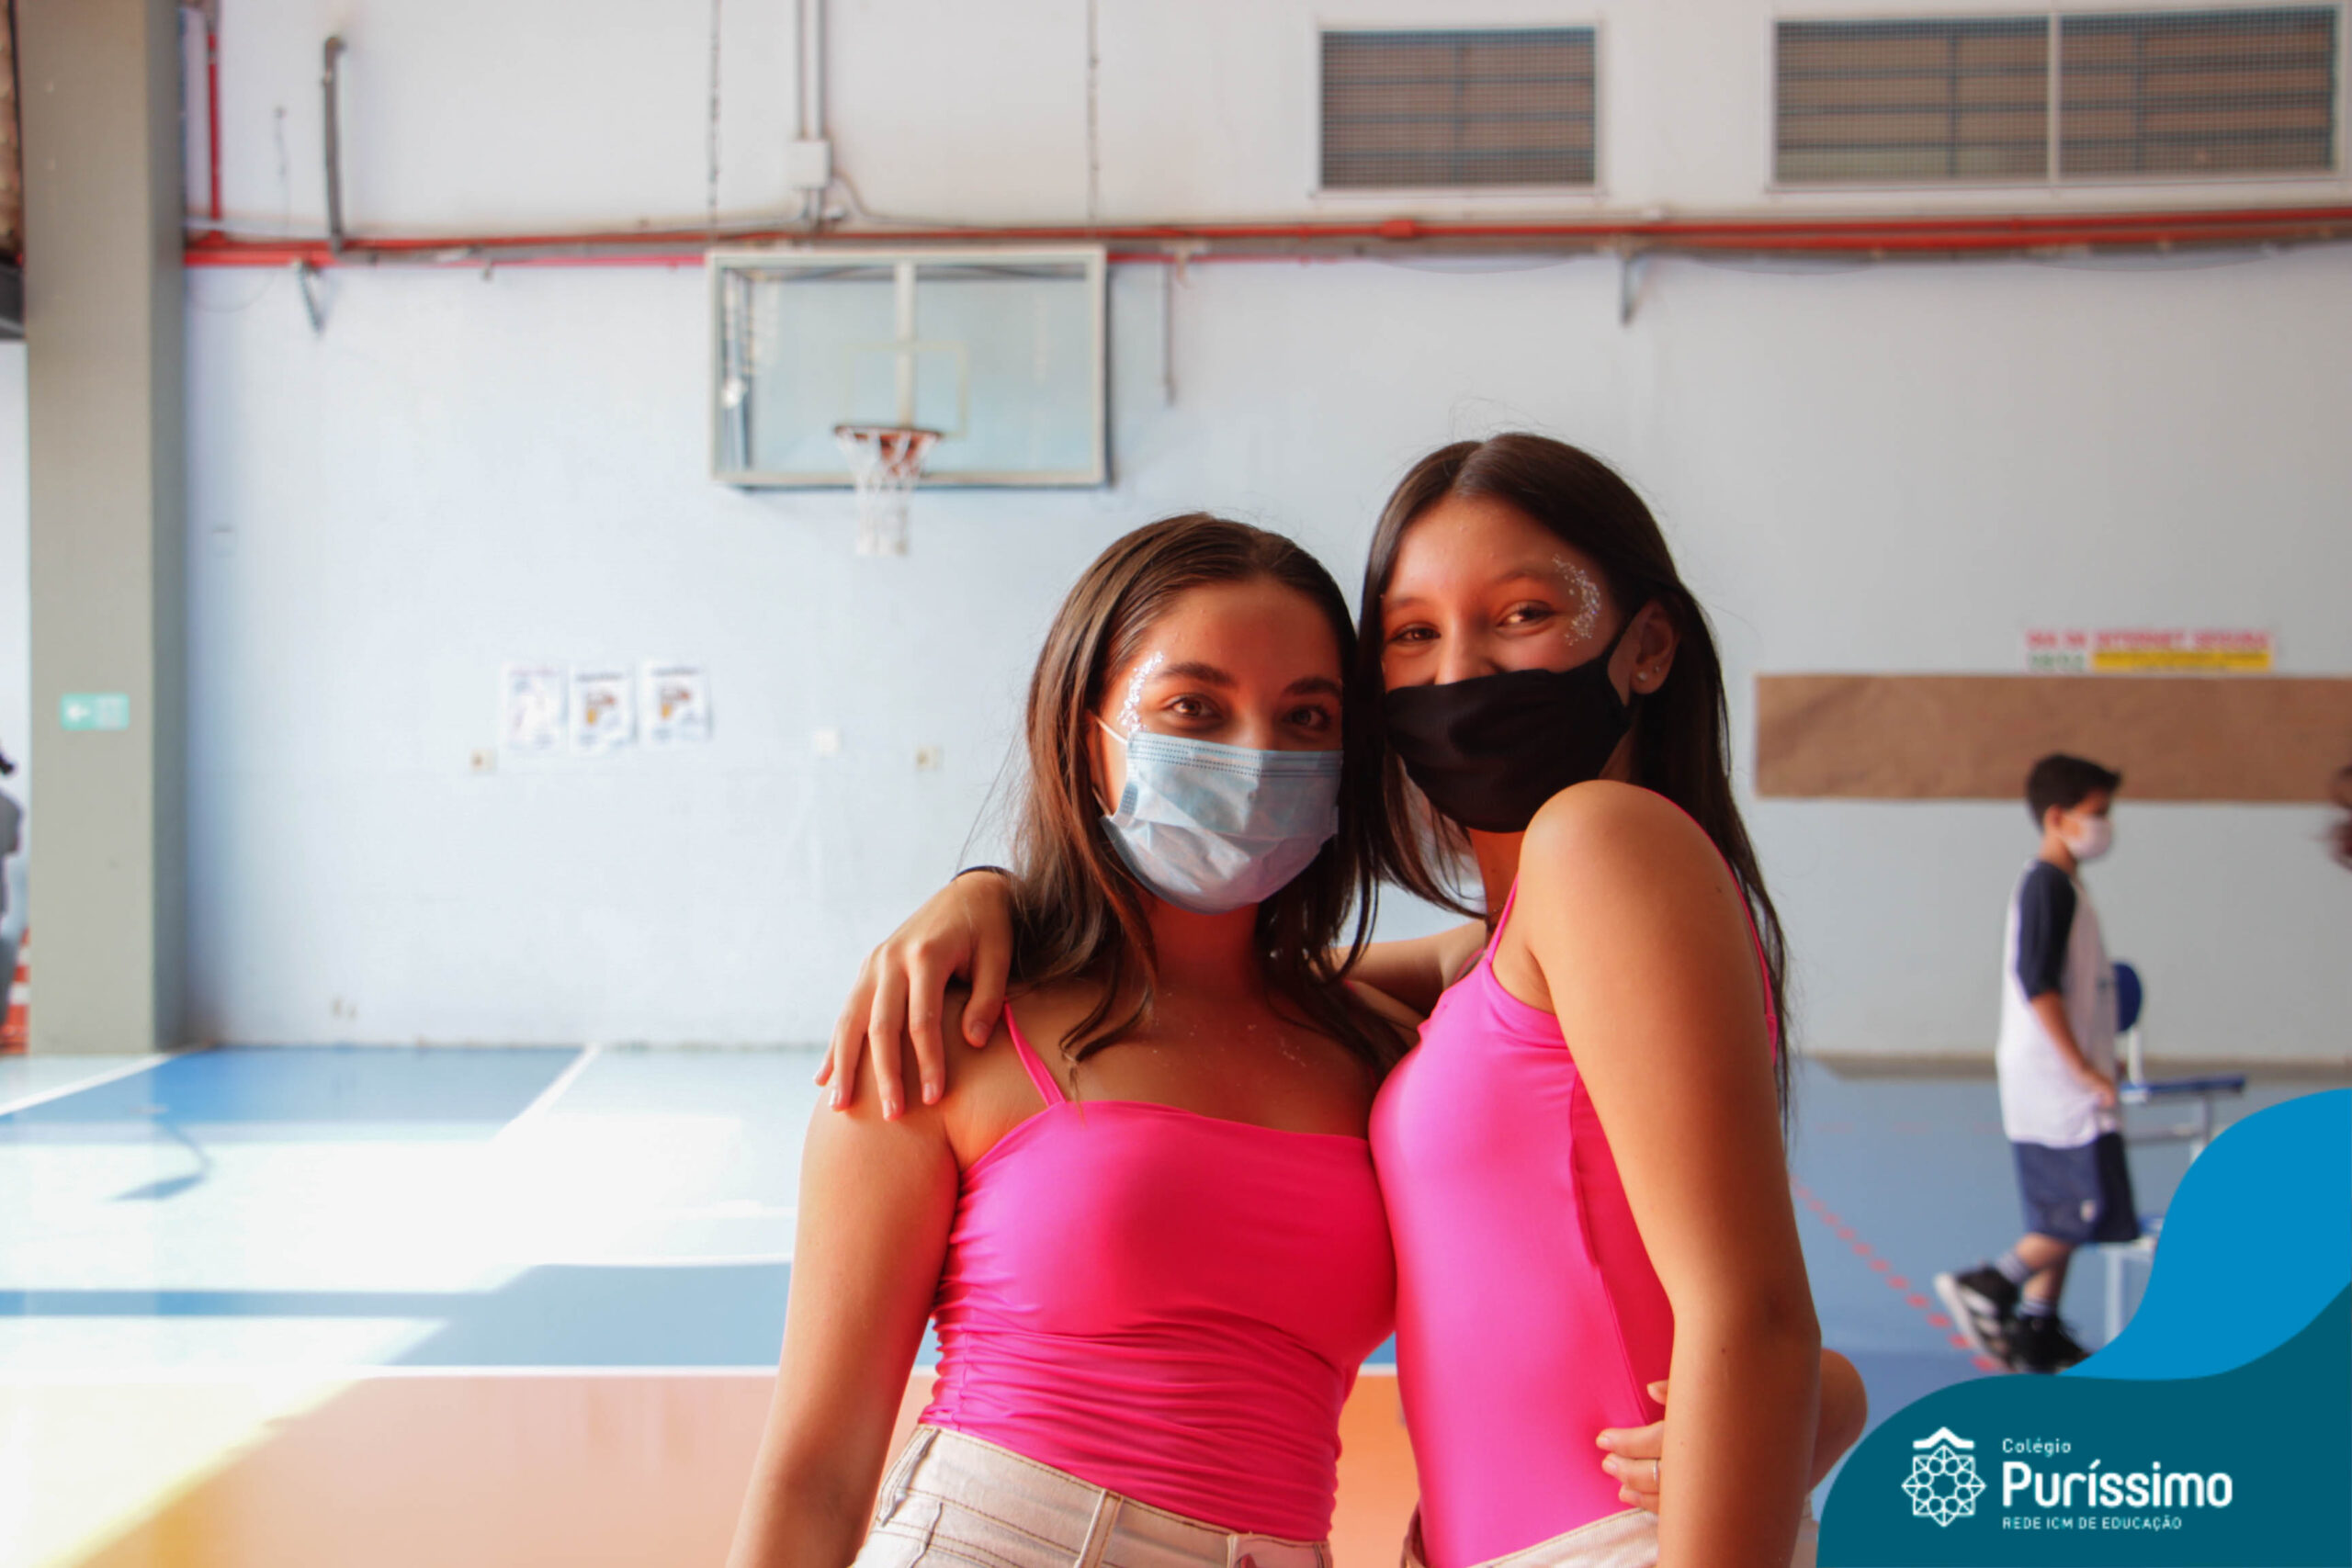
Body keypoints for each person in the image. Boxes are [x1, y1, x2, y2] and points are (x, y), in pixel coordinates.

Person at [823, 435, 1858, 1568]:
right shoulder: (1495, 967)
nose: (1460, 670)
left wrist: (1783, 1410)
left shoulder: (1596, 843)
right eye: (1413, 633)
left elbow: (1754, 1317)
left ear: (1646, 646)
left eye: (1522, 614)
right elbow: (1215, 996)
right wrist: (997, 897)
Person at [729, 514, 1408, 1568]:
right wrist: (991, 890)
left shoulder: (1376, 1050)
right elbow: (812, 1475)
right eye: (1194, 707)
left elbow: (1538, 946)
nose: (1254, 755)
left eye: (1305, 716)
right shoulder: (943, 1024)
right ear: (1083, 729)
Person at [1936, 753, 2137, 1375]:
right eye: (2096, 812)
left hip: (2065, 1073)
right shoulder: (2046, 884)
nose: (2105, 825)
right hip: (2054, 1080)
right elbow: (2038, 982)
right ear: (2057, 816)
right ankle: (1990, 1282)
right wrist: (2082, 1068)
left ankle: (2038, 1326)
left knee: (2062, 1208)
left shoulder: (2067, 885)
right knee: (2090, 1207)